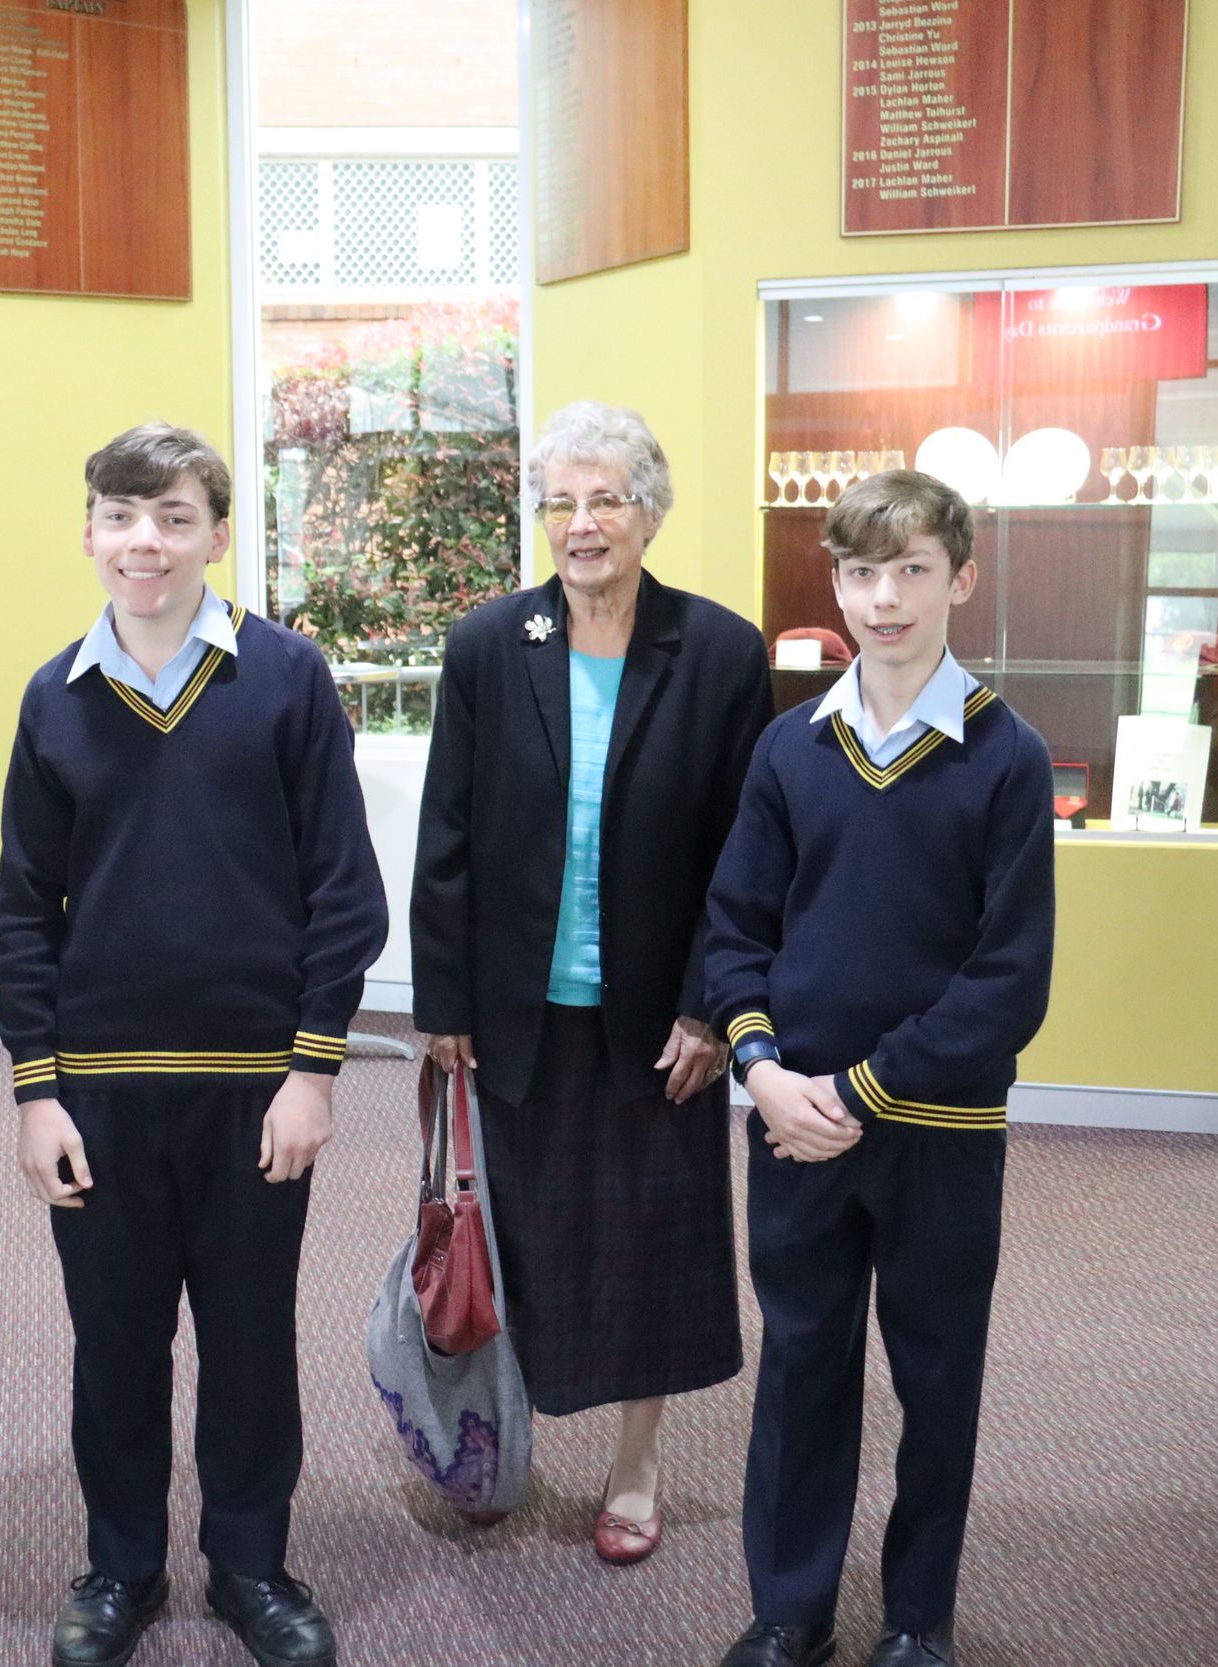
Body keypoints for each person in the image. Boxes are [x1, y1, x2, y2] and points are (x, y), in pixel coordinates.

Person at [0, 423, 388, 1667]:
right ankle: (120, 1565)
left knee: (249, 1341)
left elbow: (344, 892)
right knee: (115, 1345)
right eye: (121, 515)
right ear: (89, 533)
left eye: (172, 517)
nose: (145, 541)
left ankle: (250, 1564)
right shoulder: (53, 697)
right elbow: (23, 909)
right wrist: (36, 1091)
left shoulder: (286, 677)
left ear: (216, 534)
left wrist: (312, 1069)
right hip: (100, 1094)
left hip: (254, 1090)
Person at [410, 400, 771, 1565]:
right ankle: (500, 1441)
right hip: (517, 1012)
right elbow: (446, 834)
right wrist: (442, 1000)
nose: (581, 524)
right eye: (560, 502)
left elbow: (742, 852)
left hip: (659, 1022)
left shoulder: (719, 651)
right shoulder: (486, 644)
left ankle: (634, 1465)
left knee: (648, 1249)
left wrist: (713, 1004)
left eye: (605, 498)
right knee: (519, 1240)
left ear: (648, 512)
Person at [705, 470, 1055, 1667]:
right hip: (793, 1118)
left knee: (935, 1376)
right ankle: (789, 1608)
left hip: (936, 1131)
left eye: (912, 570)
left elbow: (1008, 982)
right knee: (801, 1363)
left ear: (961, 579)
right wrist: (760, 1068)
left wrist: (859, 1088)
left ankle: (916, 1617)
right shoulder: (788, 748)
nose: (885, 598)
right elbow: (733, 932)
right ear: (837, 584)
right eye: (862, 572)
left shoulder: (1006, 756)